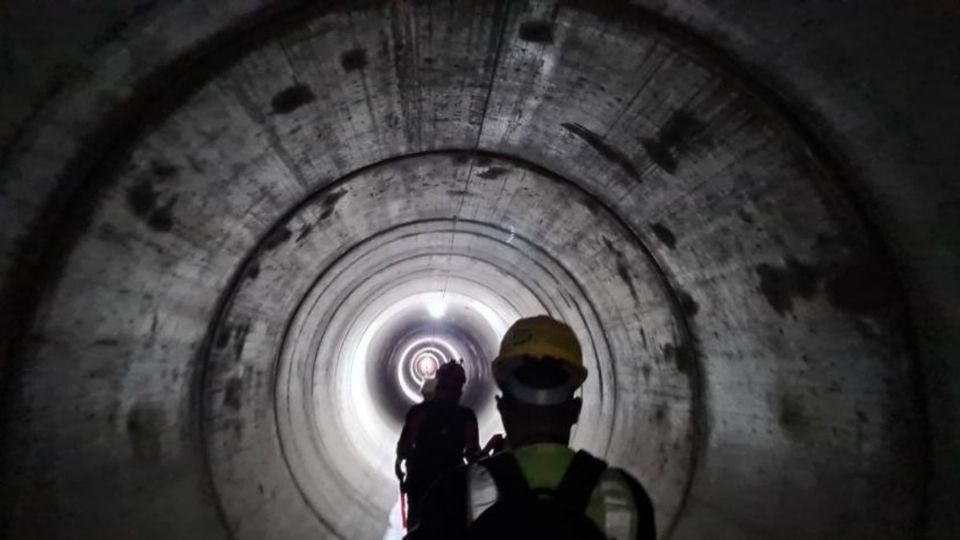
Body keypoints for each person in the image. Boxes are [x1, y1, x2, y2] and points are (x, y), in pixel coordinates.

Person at [405, 316, 656, 540]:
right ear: (575, 410)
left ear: (502, 409)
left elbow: (410, 446)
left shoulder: (455, 494)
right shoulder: (626, 497)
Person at [395, 360, 480, 529]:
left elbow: (404, 448)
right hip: (452, 486)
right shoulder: (466, 417)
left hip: (419, 482)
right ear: (460, 389)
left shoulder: (419, 412)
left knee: (416, 528)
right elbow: (472, 454)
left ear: (438, 383)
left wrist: (400, 468)